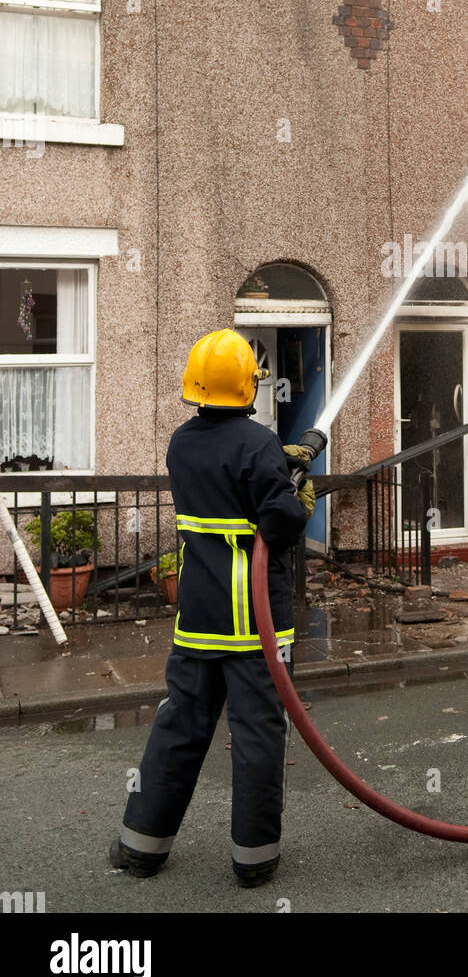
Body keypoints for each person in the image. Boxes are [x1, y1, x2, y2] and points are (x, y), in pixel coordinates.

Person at [109, 329, 315, 887]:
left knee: (180, 725)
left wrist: (276, 469)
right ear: (250, 385)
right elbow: (280, 524)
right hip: (255, 627)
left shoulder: (181, 442)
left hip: (197, 618)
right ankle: (254, 859)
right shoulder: (257, 443)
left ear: (196, 387)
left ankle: (141, 847)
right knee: (256, 735)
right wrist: (296, 492)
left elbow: (228, 488)